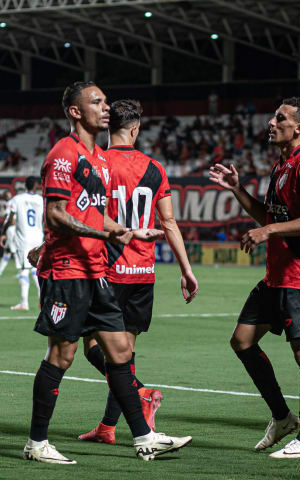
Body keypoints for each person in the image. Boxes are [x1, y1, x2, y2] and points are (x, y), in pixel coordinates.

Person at [23, 81, 192, 465]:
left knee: (119, 352)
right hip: (67, 272)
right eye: (96, 102)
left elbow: (94, 211)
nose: (105, 107)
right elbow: (56, 214)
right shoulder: (64, 154)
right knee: (61, 356)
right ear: (75, 112)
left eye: (105, 101)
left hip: (96, 270)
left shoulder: (98, 159)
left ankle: (144, 437)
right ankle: (37, 443)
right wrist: (104, 232)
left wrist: (125, 231)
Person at [209, 97, 300, 459]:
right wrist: (237, 189)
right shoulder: (281, 164)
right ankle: (282, 417)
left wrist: (271, 231)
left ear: (299, 128)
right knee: (242, 341)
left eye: (281, 118)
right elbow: (268, 215)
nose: (271, 122)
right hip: (276, 277)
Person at [77, 99, 198, 444]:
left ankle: (141, 393)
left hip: (107, 269)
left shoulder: (96, 163)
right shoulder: (155, 168)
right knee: (124, 353)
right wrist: (186, 270)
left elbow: (84, 214)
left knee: (92, 347)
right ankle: (107, 427)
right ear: (135, 129)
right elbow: (169, 221)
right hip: (143, 272)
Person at [3, 176, 44, 311]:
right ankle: (42, 300)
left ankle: (24, 302)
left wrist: (4, 231)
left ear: (25, 185)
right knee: (36, 270)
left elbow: (11, 217)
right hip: (38, 237)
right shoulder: (41, 200)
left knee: (23, 269)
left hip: (23, 238)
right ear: (36, 186)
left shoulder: (17, 199)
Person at [0, 191, 15, 276]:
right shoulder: (14, 202)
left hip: (12, 229)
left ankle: (23, 271)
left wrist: (3, 233)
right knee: (8, 251)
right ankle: (0, 270)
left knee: (14, 251)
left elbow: (9, 220)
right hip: (15, 229)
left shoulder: (8, 205)